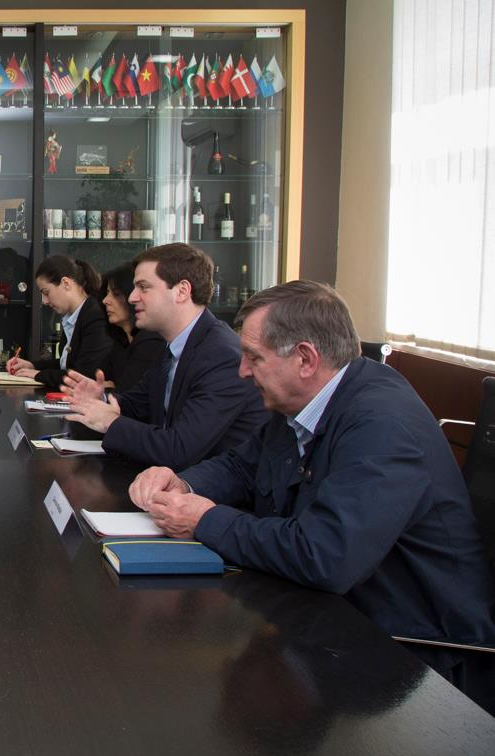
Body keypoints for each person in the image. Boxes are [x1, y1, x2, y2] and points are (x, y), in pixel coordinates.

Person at [128, 280, 495, 711]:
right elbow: (243, 466)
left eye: (253, 357)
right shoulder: (302, 401)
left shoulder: (382, 424)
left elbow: (325, 555)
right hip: (333, 615)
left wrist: (205, 519)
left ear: (305, 359)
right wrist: (182, 483)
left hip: (414, 657)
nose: (243, 371)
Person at [62, 243, 267, 470]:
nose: (132, 297)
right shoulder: (171, 344)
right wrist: (101, 400)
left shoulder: (221, 356)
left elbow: (179, 450)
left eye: (143, 287)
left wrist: (110, 421)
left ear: (182, 291)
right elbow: (139, 405)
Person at [6, 255, 122, 387]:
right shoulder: (74, 317)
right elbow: (66, 364)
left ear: (66, 283)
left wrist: (38, 374)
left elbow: (82, 376)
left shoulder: (95, 317)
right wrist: (32, 366)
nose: (44, 301)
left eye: (46, 292)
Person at [99, 261, 167, 392]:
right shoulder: (121, 340)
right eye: (107, 293)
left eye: (116, 294)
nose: (105, 300)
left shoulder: (150, 341)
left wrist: (107, 391)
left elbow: (128, 396)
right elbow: (99, 380)